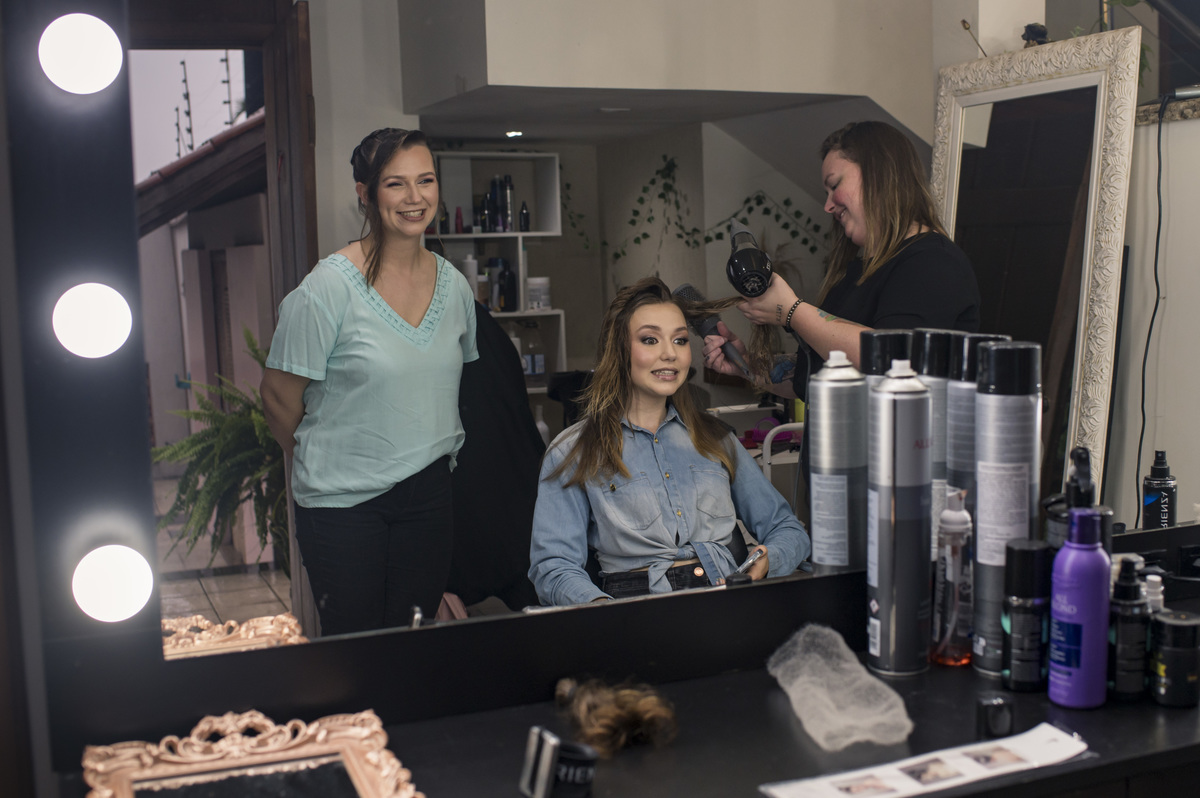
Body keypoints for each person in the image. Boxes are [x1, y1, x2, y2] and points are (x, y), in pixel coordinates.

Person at [260, 128, 478, 635]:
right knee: (356, 653)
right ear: (365, 192)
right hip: (343, 505)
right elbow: (277, 398)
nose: (414, 197)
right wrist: (334, 455)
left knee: (412, 647)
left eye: (425, 181)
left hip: (427, 497)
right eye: (395, 184)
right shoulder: (328, 288)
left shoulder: (455, 286)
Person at [529, 277, 810, 607]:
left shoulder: (716, 439)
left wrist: (767, 560)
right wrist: (600, 610)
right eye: (650, 340)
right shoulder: (574, 451)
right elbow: (553, 568)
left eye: (679, 340)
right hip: (633, 616)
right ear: (618, 350)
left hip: (727, 603)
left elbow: (787, 530)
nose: (669, 354)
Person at [703, 120, 980, 396]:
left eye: (834, 185)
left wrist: (792, 311)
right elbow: (816, 373)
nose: (828, 205)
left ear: (879, 174)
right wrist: (747, 365)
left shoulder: (933, 263)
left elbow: (891, 359)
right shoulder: (857, 273)